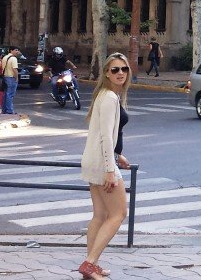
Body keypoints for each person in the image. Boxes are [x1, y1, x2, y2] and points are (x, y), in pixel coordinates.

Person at [78, 52, 132, 280]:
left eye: (124, 69)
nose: (120, 73)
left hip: (94, 160)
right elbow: (105, 138)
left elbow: (104, 134)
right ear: (106, 73)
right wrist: (111, 169)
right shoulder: (110, 97)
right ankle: (89, 264)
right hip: (102, 164)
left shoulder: (104, 94)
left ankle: (92, 264)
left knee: (100, 215)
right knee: (118, 214)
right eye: (115, 70)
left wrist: (118, 155)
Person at [1, 46, 20, 114]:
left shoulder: (4, 57)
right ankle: (9, 110)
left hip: (5, 77)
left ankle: (4, 110)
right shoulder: (13, 59)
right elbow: (14, 69)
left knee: (5, 94)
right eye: (16, 50)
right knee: (10, 95)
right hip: (11, 78)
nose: (17, 51)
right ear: (11, 50)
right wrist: (17, 77)